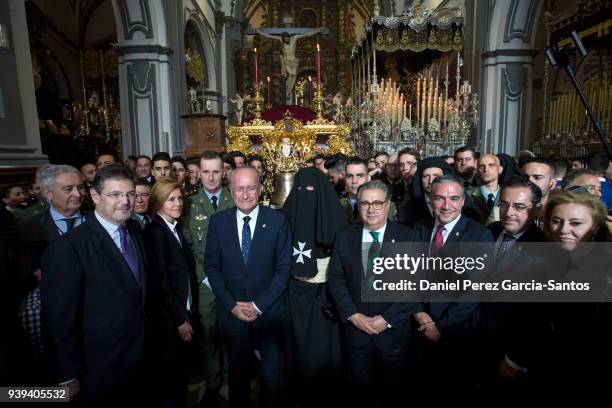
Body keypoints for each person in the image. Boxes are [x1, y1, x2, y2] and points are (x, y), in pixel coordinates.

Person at [41, 164, 151, 405]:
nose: (125, 201)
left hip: (139, 356)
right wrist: (67, 375)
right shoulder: (67, 249)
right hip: (98, 367)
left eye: (130, 194)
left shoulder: (134, 229)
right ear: (95, 195)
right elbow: (59, 320)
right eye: (115, 195)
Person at [204, 166, 291, 407]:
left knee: (272, 377)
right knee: (238, 375)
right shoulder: (218, 222)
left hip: (269, 313)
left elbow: (283, 270)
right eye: (239, 189)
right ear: (230, 191)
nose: (245, 194)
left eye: (251, 188)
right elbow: (211, 268)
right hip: (232, 314)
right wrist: (232, 306)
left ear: (260, 189)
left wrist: (258, 305)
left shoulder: (278, 220)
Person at [328, 180, 419, 407]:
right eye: (365, 203)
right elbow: (337, 280)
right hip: (356, 331)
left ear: (388, 205)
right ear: (357, 206)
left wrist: (387, 320)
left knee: (393, 390)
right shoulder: (344, 236)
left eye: (377, 203)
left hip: (394, 331)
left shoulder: (409, 237)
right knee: (359, 390)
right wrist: (353, 315)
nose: (371, 209)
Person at [411, 174, 494, 395]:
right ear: (430, 199)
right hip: (418, 327)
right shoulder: (418, 228)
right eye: (440, 198)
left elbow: (473, 291)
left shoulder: (479, 236)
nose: (447, 206)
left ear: (463, 201)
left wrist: (441, 327)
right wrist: (418, 313)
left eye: (454, 198)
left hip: (456, 333)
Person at [281, 167, 348, 407]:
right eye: (301, 190)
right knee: (298, 350)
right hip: (296, 295)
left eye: (311, 189)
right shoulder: (285, 218)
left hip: (326, 296)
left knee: (326, 348)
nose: (305, 193)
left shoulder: (338, 218)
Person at [540, 189, 612, 396]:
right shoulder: (551, 258)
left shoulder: (603, 273)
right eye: (556, 221)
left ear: (595, 226)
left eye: (576, 223)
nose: (563, 230)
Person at [181, 151, 234, 404]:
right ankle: (214, 383)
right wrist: (206, 277)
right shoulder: (188, 204)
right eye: (206, 172)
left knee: (232, 333)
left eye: (216, 171)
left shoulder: (235, 199)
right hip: (205, 283)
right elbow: (187, 247)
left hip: (233, 280)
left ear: (223, 172)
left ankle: (232, 380)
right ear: (198, 173)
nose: (211, 177)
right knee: (208, 333)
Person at [143, 179, 198, 407]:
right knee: (171, 375)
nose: (178, 204)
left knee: (179, 373)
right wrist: (179, 320)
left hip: (182, 312)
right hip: (169, 320)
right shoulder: (155, 232)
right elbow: (160, 283)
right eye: (171, 199)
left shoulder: (173, 227)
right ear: (157, 203)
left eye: (179, 198)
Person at [254, 27, 324, 99]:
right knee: (291, 74)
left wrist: (318, 30)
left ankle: (289, 90)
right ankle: (288, 89)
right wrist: (259, 32)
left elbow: (307, 34)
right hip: (286, 61)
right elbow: (269, 36)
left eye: (288, 38)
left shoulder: (294, 38)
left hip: (294, 61)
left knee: (294, 75)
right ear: (283, 38)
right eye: (285, 38)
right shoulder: (281, 40)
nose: (287, 39)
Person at [342, 158, 397, 223]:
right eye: (350, 176)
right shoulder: (337, 204)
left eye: (360, 176)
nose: (354, 181)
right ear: (345, 179)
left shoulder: (385, 205)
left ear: (368, 178)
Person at [466, 154, 503, 225]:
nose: (486, 170)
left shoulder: (508, 194)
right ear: (477, 171)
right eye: (481, 166)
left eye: (491, 165)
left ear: (500, 169)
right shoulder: (467, 194)